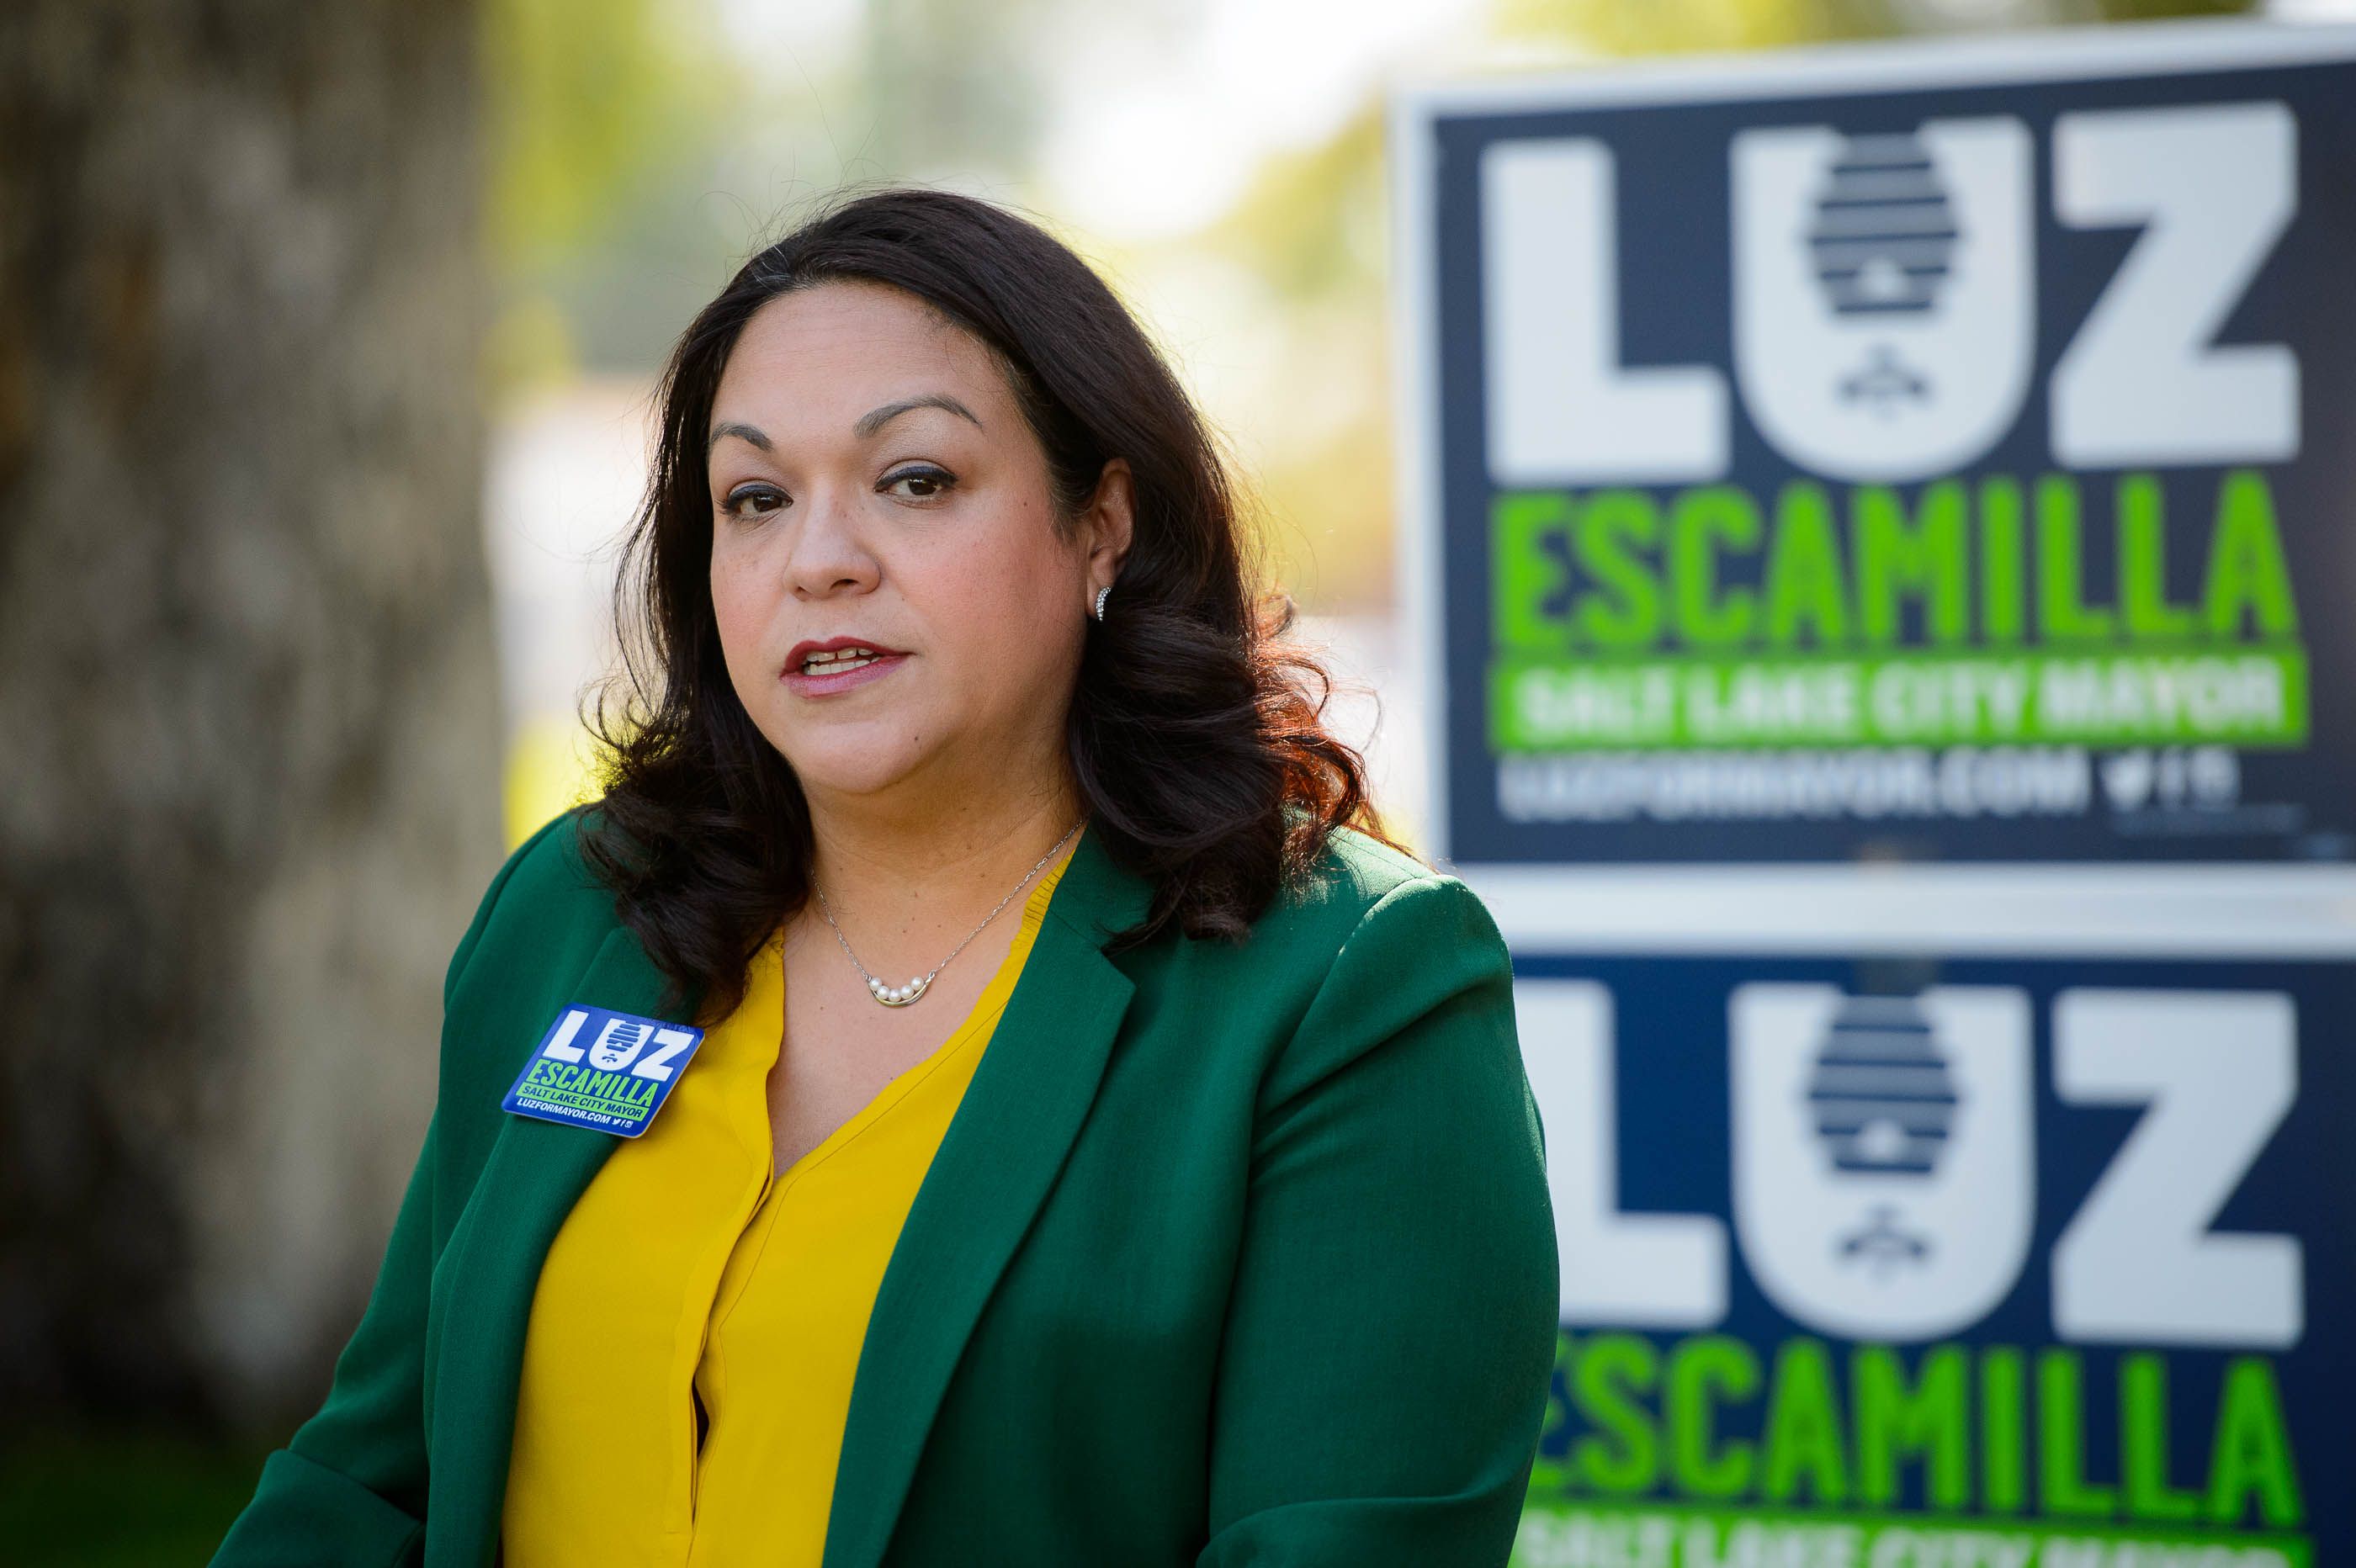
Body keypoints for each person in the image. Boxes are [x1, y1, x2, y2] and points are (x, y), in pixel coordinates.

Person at [210, 185, 1558, 1568]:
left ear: (1100, 526)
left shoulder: (1349, 988)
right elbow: (372, 1485)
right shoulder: (576, 911)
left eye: (916, 481)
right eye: (755, 498)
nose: (820, 561)